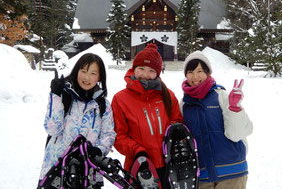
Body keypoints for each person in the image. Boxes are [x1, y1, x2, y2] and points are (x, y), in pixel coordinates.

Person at [38, 53, 116, 188]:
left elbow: (108, 134)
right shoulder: (64, 96)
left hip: (88, 170)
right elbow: (52, 129)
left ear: (99, 77)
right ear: (76, 71)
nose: (87, 78)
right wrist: (55, 96)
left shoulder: (103, 105)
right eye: (83, 71)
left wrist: (98, 150)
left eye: (93, 73)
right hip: (56, 169)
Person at [111, 43, 183, 188]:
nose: (145, 74)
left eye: (151, 70)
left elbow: (177, 124)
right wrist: (137, 151)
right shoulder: (120, 99)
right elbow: (118, 135)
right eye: (141, 68)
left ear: (157, 73)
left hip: (168, 167)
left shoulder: (168, 96)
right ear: (134, 69)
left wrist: (175, 143)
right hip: (139, 167)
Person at [180, 51, 253, 189]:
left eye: (200, 71)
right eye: (190, 72)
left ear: (208, 73)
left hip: (232, 173)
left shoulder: (221, 96)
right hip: (202, 177)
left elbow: (236, 134)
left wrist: (234, 108)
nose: (195, 76)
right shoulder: (184, 104)